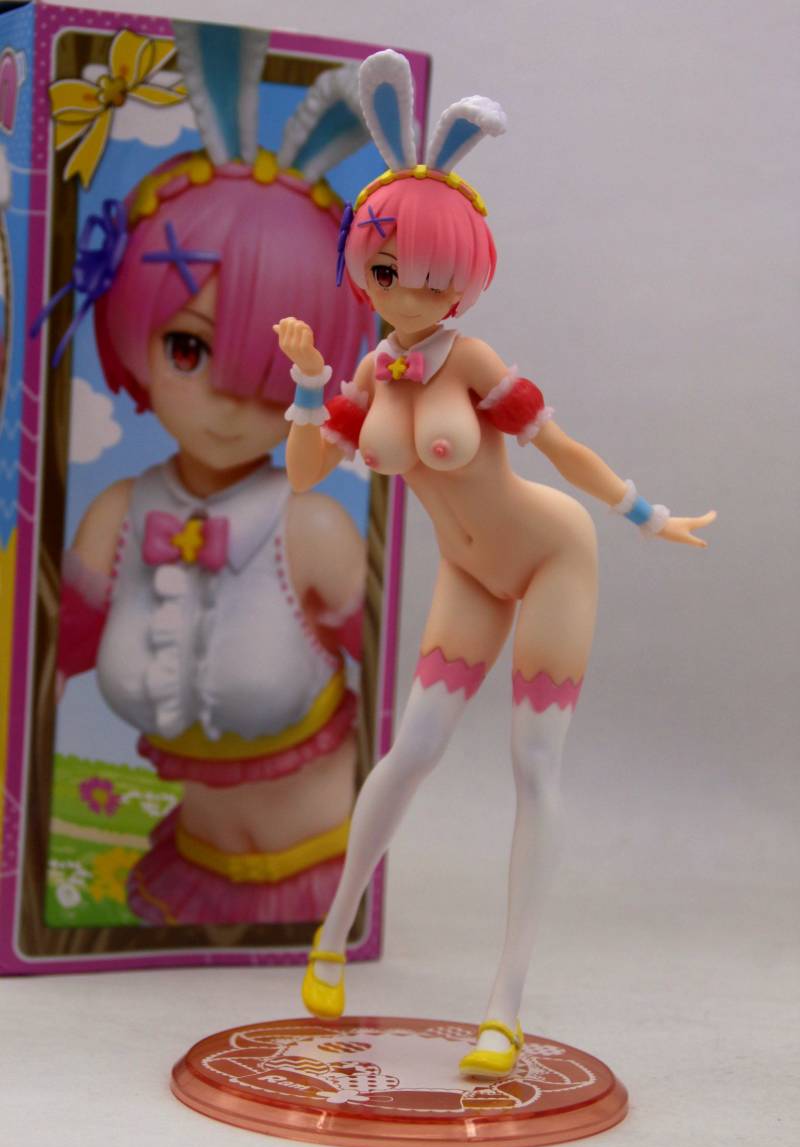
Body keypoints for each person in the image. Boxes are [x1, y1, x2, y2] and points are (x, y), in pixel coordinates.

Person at [275, 49, 716, 1077]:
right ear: (363, 265)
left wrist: (642, 511)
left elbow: (555, 446)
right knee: (412, 749)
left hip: (550, 553)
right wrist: (306, 382)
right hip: (469, 573)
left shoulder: (466, 360)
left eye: (438, 274)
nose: (413, 290)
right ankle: (331, 934)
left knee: (531, 766)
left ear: (469, 276)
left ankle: (503, 1005)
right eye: (392, 270)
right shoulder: (370, 371)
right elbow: (303, 473)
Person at [48, 30, 375, 925]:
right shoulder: (117, 518)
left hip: (325, 859)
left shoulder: (313, 528)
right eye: (189, 349)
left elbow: (395, 685)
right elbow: (45, 667)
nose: (229, 400)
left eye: (274, 368)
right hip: (190, 862)